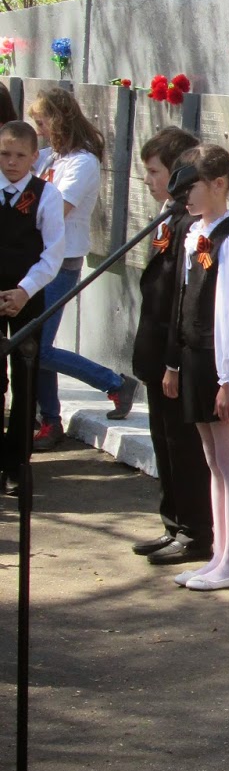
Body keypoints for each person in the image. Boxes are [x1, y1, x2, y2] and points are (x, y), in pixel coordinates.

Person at [165, 145, 229, 592]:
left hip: (222, 367)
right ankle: (219, 556)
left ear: (219, 185)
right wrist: (174, 364)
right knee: (214, 463)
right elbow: (185, 302)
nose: (182, 195)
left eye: (190, 186)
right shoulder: (198, 233)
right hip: (196, 360)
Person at [28, 87, 138, 448]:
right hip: (38, 260)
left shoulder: (83, 162)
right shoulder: (50, 157)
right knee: (35, 346)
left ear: (58, 119)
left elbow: (55, 213)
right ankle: (50, 420)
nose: (38, 129)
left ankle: (114, 383)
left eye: (41, 121)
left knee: (38, 348)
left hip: (61, 262)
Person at [129, 127, 215, 568]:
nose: (148, 179)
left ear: (179, 174)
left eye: (154, 171)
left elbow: (182, 298)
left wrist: (172, 361)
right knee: (163, 443)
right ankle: (173, 524)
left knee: (184, 448)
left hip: (174, 355)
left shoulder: (188, 223)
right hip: (155, 349)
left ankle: (195, 532)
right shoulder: (168, 216)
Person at [0, 119, 64, 492]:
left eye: (20, 155)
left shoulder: (46, 195)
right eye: (5, 154)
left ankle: (16, 465)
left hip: (27, 294)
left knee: (26, 377)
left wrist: (23, 291)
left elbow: (53, 253)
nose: (11, 162)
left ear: (33, 157)